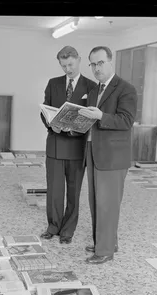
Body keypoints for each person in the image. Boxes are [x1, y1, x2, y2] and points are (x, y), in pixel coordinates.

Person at [78, 46, 138, 265]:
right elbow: (91, 120)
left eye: (100, 63)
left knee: (107, 204)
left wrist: (101, 115)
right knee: (95, 201)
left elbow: (126, 121)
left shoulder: (126, 88)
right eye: (92, 64)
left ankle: (104, 251)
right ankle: (105, 241)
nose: (96, 68)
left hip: (113, 157)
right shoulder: (94, 91)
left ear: (110, 61)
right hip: (94, 151)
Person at [40, 46, 97, 244]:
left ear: (79, 60)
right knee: (54, 191)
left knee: (73, 193)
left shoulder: (91, 86)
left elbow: (91, 117)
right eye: (64, 66)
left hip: (76, 147)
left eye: (70, 64)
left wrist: (74, 129)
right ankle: (53, 226)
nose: (68, 69)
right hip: (55, 144)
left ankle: (67, 231)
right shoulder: (53, 83)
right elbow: (44, 110)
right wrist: (50, 124)